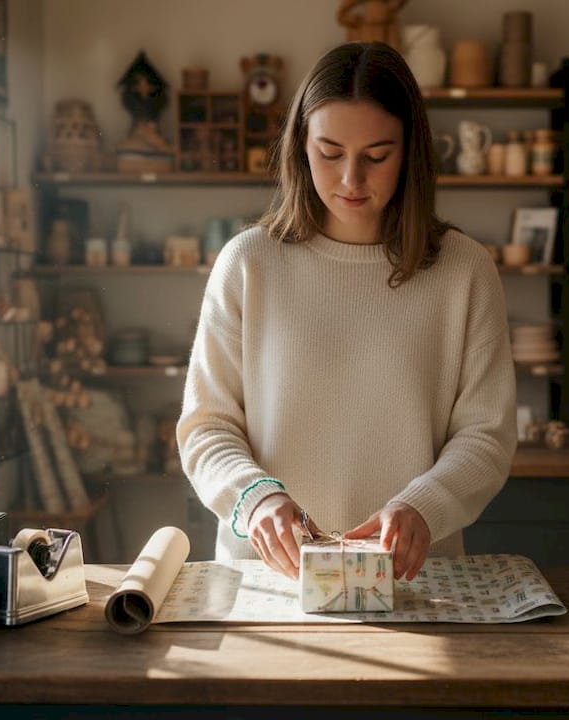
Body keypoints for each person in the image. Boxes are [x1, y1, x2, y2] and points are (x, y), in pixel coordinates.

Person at [176, 41, 516, 582]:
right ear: (300, 146)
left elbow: (486, 435)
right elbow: (206, 426)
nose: (351, 180)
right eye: (329, 153)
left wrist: (423, 506)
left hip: (414, 582)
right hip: (268, 582)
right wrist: (256, 499)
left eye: (377, 156)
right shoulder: (248, 263)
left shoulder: (464, 269)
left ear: (410, 153)